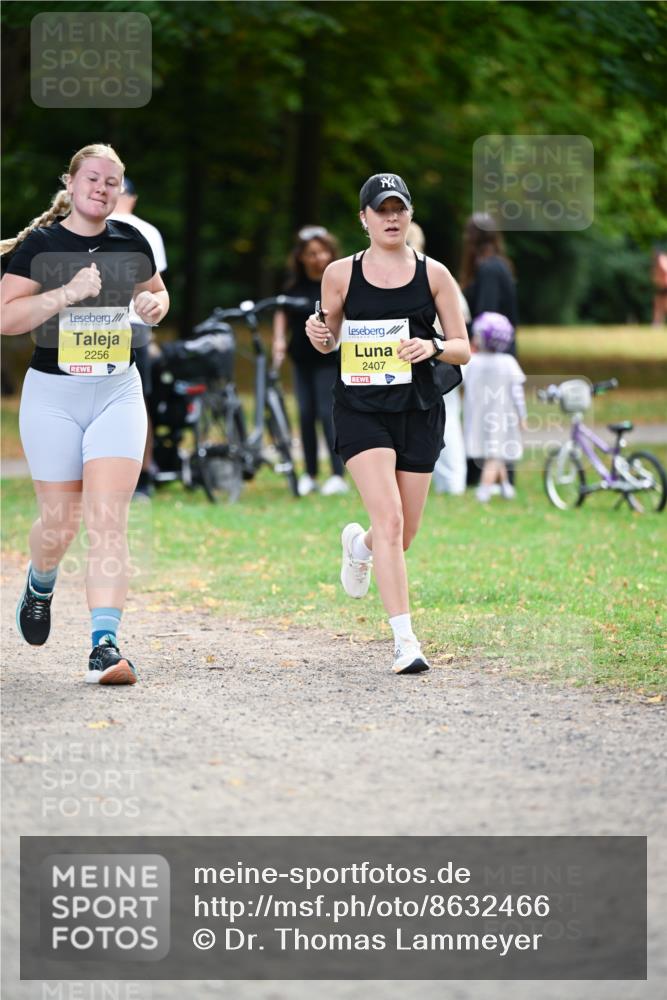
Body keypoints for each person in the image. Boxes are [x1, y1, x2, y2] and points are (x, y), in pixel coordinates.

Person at [0, 143, 169, 685]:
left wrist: (153, 306)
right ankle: (40, 579)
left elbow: (157, 294)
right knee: (60, 523)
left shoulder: (131, 241)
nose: (102, 188)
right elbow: (6, 317)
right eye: (92, 179)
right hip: (53, 396)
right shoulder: (41, 246)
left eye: (111, 182)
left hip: (118, 391)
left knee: (108, 521)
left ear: (120, 192)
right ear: (71, 184)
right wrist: (67, 293)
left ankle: (104, 645)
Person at [305, 173, 470, 674]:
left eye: (399, 209)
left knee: (403, 533)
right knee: (391, 520)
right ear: (365, 218)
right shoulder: (340, 273)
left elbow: (462, 348)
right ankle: (405, 642)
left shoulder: (434, 274)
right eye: (382, 210)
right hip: (360, 407)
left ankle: (359, 547)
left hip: (418, 408)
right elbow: (328, 338)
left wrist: (433, 346)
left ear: (410, 214)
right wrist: (318, 333)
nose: (391, 217)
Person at [272, 226, 348, 496]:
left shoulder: (336, 281)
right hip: (301, 359)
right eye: (312, 253)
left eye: (323, 252)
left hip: (328, 359)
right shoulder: (293, 284)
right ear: (301, 257)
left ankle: (338, 475)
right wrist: (279, 340)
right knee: (305, 415)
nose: (318, 258)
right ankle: (311, 474)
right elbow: (282, 311)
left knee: (328, 414)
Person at [107, 177, 168, 498]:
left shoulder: (86, 227)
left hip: (99, 323)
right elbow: (158, 289)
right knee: (138, 401)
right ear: (133, 198)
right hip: (135, 324)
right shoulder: (147, 231)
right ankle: (141, 476)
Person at [406, 221, 469, 496]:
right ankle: (445, 481)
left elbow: (460, 320)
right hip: (426, 357)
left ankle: (453, 482)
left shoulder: (432, 273)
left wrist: (434, 343)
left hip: (438, 358)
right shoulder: (435, 271)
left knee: (446, 418)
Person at [459, 212, 518, 488]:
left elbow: (487, 316)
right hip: (499, 353)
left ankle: (487, 475)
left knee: (487, 413)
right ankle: (496, 476)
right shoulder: (498, 266)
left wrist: (470, 342)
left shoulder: (490, 270)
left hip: (492, 355)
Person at [463, 312, 527, 502]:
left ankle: (484, 489)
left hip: (480, 415)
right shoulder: (508, 362)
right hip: (502, 415)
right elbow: (517, 392)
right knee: (496, 452)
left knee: (494, 453)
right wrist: (521, 415)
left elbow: (462, 383)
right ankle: (506, 487)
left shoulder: (473, 362)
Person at [651, 247, 667, 326]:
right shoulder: (659, 260)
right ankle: (657, 322)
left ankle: (657, 322)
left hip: (665, 286)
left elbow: (664, 270)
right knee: (658, 304)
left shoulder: (661, 259)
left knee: (661, 305)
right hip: (661, 286)